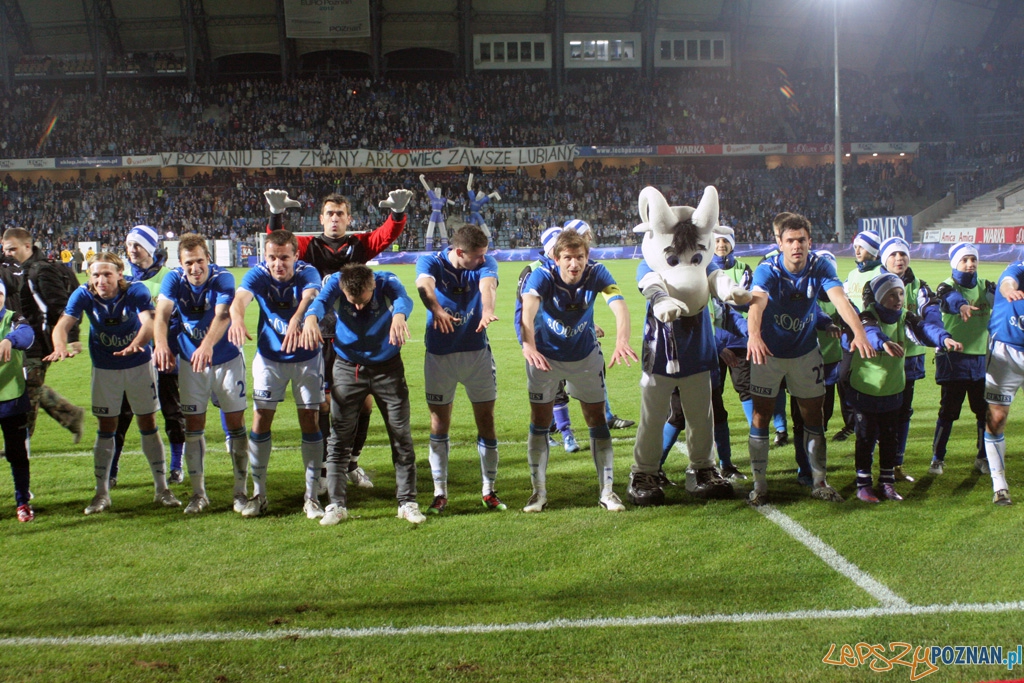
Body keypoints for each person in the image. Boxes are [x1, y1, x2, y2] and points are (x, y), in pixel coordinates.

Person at [264, 187, 413, 491]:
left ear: (348, 218)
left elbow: (385, 235)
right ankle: (323, 470)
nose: (334, 219)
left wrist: (397, 215)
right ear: (321, 218)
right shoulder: (310, 245)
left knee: (366, 405)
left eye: (340, 214)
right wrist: (276, 216)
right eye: (329, 214)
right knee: (324, 404)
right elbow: (281, 243)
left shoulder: (359, 244)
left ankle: (352, 463)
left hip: (355, 335)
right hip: (319, 334)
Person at [745, 214, 874, 506]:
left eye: (801, 240)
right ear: (779, 243)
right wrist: (754, 335)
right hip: (769, 354)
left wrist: (859, 333)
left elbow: (840, 299)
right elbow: (757, 303)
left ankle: (819, 481)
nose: (796, 246)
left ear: (809, 241)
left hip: (804, 353)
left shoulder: (820, 266)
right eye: (789, 240)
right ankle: (760, 485)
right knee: (761, 416)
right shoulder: (767, 269)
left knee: (813, 417)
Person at [45, 252, 180, 515]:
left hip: (139, 366)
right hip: (105, 369)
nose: (101, 279)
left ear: (120, 274)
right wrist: (60, 346)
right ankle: (101, 494)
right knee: (106, 427)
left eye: (107, 274)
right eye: (96, 274)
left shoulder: (136, 290)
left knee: (148, 423)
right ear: (89, 277)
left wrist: (136, 345)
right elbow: (62, 325)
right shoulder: (83, 294)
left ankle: (162, 488)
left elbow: (149, 323)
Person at [518, 229, 638, 513]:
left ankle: (608, 492)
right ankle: (538, 493)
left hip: (584, 357)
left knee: (596, 418)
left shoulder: (597, 273)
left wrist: (622, 340)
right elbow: (527, 311)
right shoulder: (542, 276)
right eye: (568, 258)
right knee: (540, 420)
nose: (575, 264)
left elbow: (618, 305)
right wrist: (528, 345)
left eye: (580, 257)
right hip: (545, 358)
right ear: (556, 259)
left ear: (587, 257)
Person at [303, 264, 424, 526]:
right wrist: (311, 318)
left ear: (373, 287)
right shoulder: (335, 281)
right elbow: (320, 301)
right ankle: (336, 505)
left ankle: (407, 502)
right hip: (348, 368)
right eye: (351, 301)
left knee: (400, 434)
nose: (357, 307)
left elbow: (404, 297)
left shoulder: (385, 281)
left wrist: (400, 315)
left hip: (387, 369)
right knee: (339, 438)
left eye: (364, 301)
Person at [229, 229, 325, 520]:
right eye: (272, 257)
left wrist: (297, 319)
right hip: (270, 359)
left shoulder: (308, 272)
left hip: (307, 358)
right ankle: (259, 494)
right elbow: (240, 299)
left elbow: (311, 294)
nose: (277, 263)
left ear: (296, 256)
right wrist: (236, 318)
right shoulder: (259, 273)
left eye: (284, 257)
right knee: (260, 418)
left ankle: (311, 497)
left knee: (310, 418)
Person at [842, 273, 959, 503]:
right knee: (865, 438)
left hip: (892, 391)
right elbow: (870, 331)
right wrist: (883, 342)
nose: (898, 299)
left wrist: (944, 338)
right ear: (878, 297)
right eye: (891, 294)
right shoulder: (866, 316)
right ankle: (863, 484)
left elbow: (925, 329)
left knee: (889, 438)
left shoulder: (905, 317)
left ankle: (887, 482)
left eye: (900, 294)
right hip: (866, 390)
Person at [153, 234, 249, 515]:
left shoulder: (223, 278)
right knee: (193, 427)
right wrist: (160, 344)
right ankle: (198, 494)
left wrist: (206, 345)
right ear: (180, 263)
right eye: (188, 263)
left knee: (235, 425)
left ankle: (241, 492)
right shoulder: (174, 279)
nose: (194, 268)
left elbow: (223, 315)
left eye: (199, 261)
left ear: (208, 258)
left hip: (226, 359)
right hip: (191, 364)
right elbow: (160, 315)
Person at [415, 225, 504, 514]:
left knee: (486, 420)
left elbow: (487, 285)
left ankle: (489, 489)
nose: (483, 260)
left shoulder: (484, 262)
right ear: (459, 252)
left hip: (476, 354)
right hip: (440, 356)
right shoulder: (431, 261)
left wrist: (488, 310)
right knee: (439, 424)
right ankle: (440, 492)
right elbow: (424, 286)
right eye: (477, 256)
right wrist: (435, 310)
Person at [109, 225, 185, 488]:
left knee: (173, 414)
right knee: (122, 415)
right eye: (129, 244)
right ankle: (112, 467)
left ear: (150, 248)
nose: (132, 249)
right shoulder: (121, 279)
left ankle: (176, 466)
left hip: (165, 357)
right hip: (131, 359)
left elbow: (179, 317)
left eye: (137, 244)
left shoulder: (170, 276)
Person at [1, 228, 84, 443]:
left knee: (25, 392)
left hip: (36, 343)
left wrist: (70, 336)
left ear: (27, 246)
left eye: (12, 249)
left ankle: (20, 444)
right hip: (21, 340)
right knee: (29, 386)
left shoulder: (40, 271)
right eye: (5, 250)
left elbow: (61, 306)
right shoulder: (19, 270)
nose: (8, 254)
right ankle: (71, 414)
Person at [872, 237, 940, 481]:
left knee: (903, 412)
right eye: (893, 255)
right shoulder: (873, 284)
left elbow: (931, 311)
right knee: (876, 414)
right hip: (878, 360)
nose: (899, 259)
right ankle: (870, 465)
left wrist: (938, 335)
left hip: (909, 360)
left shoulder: (919, 285)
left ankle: (896, 464)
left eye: (903, 254)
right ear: (884, 259)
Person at [929, 243, 993, 476]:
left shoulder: (986, 286)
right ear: (955, 262)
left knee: (983, 411)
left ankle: (983, 456)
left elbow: (1003, 302)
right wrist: (962, 305)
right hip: (952, 358)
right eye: (964, 260)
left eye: (973, 259)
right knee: (948, 411)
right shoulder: (946, 285)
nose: (970, 264)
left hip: (980, 361)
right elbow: (949, 298)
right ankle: (937, 458)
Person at [981, 258, 1024, 505]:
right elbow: (1007, 283)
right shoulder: (1018, 268)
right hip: (1006, 352)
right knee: (996, 418)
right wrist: (1010, 291)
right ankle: (999, 484)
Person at [833, 229, 882, 442]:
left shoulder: (881, 272)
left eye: (862, 247)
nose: (857, 250)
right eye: (856, 247)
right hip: (848, 339)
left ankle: (871, 423)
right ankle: (851, 423)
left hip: (870, 336)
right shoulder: (852, 274)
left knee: (871, 382)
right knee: (843, 378)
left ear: (872, 249)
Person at [0, 279, 36, 521]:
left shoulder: (12, 318)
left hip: (11, 399)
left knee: (17, 454)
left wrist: (9, 340)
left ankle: (22, 502)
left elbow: (27, 335)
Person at [419, 174, 456, 252]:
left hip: (439, 214)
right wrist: (421, 179)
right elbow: (427, 188)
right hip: (434, 213)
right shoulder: (433, 197)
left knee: (443, 231)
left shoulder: (442, 199)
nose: (438, 191)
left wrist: (454, 203)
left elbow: (450, 201)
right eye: (436, 190)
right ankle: (428, 248)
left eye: (439, 191)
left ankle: (445, 248)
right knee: (430, 230)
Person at [466, 173, 501, 245]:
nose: (479, 195)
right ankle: (469, 242)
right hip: (473, 214)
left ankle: (490, 242)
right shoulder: (473, 198)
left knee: (483, 226)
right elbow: (468, 187)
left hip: (475, 213)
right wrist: (470, 177)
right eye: (479, 194)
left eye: (481, 195)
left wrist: (496, 194)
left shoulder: (481, 200)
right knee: (471, 228)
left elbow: (491, 195)